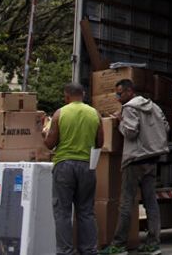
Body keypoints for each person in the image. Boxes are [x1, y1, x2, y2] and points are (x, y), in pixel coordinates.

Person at [99, 79, 169, 255]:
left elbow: (131, 132)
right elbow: (166, 127)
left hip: (135, 160)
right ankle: (153, 244)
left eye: (119, 93)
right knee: (151, 202)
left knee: (126, 203)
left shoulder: (129, 108)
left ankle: (118, 245)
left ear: (130, 92)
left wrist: (120, 120)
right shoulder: (154, 106)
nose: (117, 97)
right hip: (152, 159)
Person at [45, 83, 103, 255]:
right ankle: (89, 251)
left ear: (66, 96)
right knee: (86, 211)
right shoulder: (95, 114)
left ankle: (65, 251)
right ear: (83, 95)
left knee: (63, 212)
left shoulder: (59, 113)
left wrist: (44, 134)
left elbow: (50, 144)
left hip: (64, 165)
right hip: (87, 166)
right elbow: (100, 143)